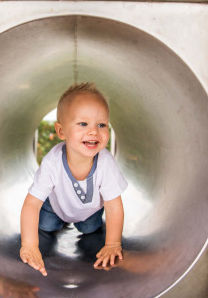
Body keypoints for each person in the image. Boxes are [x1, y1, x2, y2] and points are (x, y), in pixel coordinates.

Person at [20, 83, 128, 276]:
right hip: (55, 206)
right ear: (61, 132)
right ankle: (59, 221)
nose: (93, 131)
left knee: (90, 230)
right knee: (46, 226)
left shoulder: (106, 163)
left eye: (101, 125)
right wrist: (29, 245)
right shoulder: (52, 162)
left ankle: (80, 223)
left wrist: (113, 244)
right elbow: (31, 204)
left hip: (89, 211)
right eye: (83, 124)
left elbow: (113, 206)